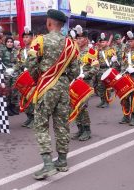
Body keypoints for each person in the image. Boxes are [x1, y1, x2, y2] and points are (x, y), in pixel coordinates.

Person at [21, 9, 79, 179]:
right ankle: (62, 161)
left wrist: (39, 78)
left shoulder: (40, 40)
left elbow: (31, 64)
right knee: (62, 124)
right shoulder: (71, 44)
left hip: (46, 88)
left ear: (49, 23)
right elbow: (75, 71)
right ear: (61, 25)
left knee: (41, 124)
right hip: (63, 89)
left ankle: (47, 164)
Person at [72, 25, 99, 141]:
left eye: (81, 38)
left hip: (86, 83)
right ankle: (80, 129)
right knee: (75, 106)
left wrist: (85, 74)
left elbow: (96, 68)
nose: (78, 40)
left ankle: (87, 130)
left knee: (82, 107)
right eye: (77, 38)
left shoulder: (91, 52)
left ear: (86, 39)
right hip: (75, 82)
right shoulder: (74, 52)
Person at [16, 28, 35, 128]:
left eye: (27, 37)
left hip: (33, 77)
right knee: (24, 98)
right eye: (24, 37)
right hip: (24, 77)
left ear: (32, 38)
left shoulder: (35, 49)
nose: (25, 39)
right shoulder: (21, 51)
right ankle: (29, 117)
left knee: (32, 98)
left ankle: (35, 119)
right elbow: (18, 63)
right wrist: (13, 69)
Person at [0, 36, 20, 116]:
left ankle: (12, 106)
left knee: (14, 90)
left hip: (14, 73)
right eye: (8, 42)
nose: (10, 43)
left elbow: (18, 61)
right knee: (6, 90)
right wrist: (4, 70)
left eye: (11, 42)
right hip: (5, 73)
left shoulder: (16, 51)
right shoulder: (2, 51)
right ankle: (6, 107)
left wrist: (14, 69)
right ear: (5, 43)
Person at [96, 33, 115, 108]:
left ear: (107, 42)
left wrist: (113, 59)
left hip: (107, 69)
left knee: (107, 86)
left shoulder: (110, 50)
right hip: (100, 70)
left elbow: (114, 60)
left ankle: (107, 101)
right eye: (101, 42)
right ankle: (102, 101)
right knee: (100, 87)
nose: (102, 43)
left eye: (103, 42)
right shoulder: (99, 51)